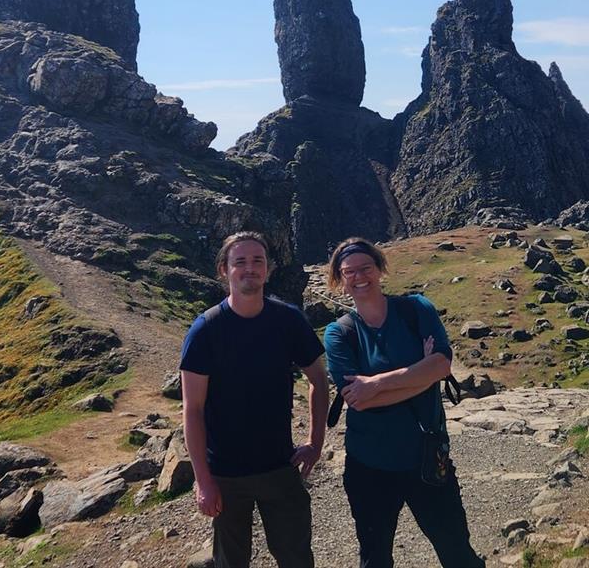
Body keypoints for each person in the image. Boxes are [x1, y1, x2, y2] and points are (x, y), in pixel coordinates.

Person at [323, 237, 485, 568]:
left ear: (380, 269)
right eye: (349, 271)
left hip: (426, 457)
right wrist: (420, 375)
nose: (359, 276)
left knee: (457, 552)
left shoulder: (415, 309)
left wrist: (378, 383)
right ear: (339, 279)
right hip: (368, 466)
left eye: (366, 268)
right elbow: (359, 401)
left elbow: (441, 365)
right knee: (375, 558)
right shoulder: (339, 333)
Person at [180, 232, 329, 568]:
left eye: (257, 260)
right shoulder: (205, 331)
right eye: (240, 261)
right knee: (231, 562)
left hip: (281, 466)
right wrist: (203, 481)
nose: (250, 268)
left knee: (296, 558)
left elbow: (318, 379)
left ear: (268, 269)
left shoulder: (288, 320)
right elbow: (193, 409)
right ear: (223, 270)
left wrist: (315, 443)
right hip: (226, 475)